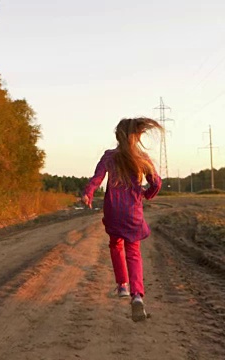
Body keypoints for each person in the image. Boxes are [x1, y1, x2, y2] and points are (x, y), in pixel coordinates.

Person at [82, 117, 163, 322]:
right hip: (133, 212)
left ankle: (122, 285)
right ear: (137, 136)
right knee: (133, 252)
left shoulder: (109, 156)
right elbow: (156, 183)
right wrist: (147, 193)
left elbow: (97, 178)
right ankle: (137, 296)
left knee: (115, 244)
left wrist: (88, 193)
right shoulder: (142, 158)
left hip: (113, 211)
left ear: (117, 136)